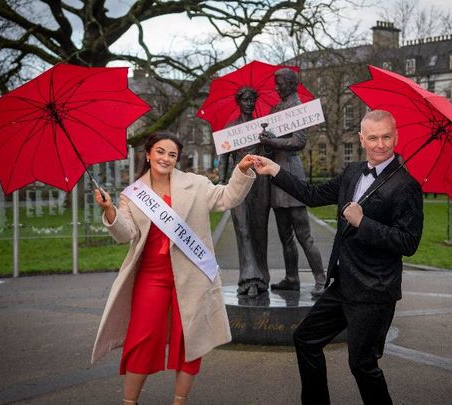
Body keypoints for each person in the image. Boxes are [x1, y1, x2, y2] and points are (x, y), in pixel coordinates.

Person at [253, 109, 424, 404]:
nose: (380, 144)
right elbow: (312, 195)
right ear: (362, 139)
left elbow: (408, 242)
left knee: (362, 365)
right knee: (305, 339)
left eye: (386, 137)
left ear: (396, 137)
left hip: (374, 291)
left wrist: (363, 222)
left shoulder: (406, 186)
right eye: (373, 137)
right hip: (344, 283)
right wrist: (275, 171)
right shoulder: (353, 173)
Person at [90, 132, 257, 405]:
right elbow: (126, 233)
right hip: (150, 277)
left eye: (171, 155)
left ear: (177, 159)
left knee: (188, 341)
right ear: (147, 154)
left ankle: (180, 401)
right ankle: (129, 402)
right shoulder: (132, 195)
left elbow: (227, 197)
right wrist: (110, 211)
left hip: (191, 276)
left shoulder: (196, 184)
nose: (165, 158)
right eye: (160, 151)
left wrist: (240, 170)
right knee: (141, 340)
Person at [258, 68, 326, 296]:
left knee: (303, 234)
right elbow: (275, 144)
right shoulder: (277, 108)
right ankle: (291, 277)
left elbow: (299, 142)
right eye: (276, 84)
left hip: (291, 173)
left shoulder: (297, 108)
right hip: (275, 175)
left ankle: (320, 279)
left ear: (291, 84)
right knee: (284, 234)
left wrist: (274, 142)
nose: (276, 88)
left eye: (280, 84)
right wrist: (266, 143)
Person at [218, 86, 271, 297]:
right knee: (243, 230)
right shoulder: (231, 128)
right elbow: (223, 158)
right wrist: (221, 182)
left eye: (252, 100)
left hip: (260, 184)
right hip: (237, 182)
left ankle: (262, 278)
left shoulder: (262, 127)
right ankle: (249, 279)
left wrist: (268, 140)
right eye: (245, 99)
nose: (249, 103)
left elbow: (270, 154)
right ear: (239, 102)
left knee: (260, 230)